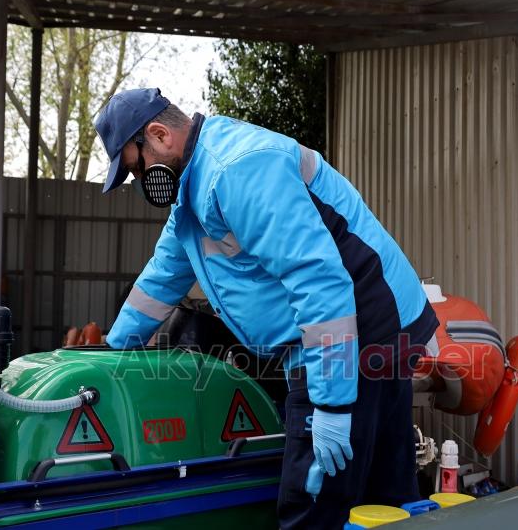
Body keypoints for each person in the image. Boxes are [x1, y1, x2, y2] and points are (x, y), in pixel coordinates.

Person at [94, 88, 439, 529]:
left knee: (314, 508)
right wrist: (110, 351)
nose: (142, 183)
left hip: (359, 329)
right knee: (387, 503)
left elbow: (318, 279)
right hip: (374, 327)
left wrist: (331, 406)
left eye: (136, 168)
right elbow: (162, 278)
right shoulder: (195, 192)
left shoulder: (237, 169)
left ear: (159, 134)